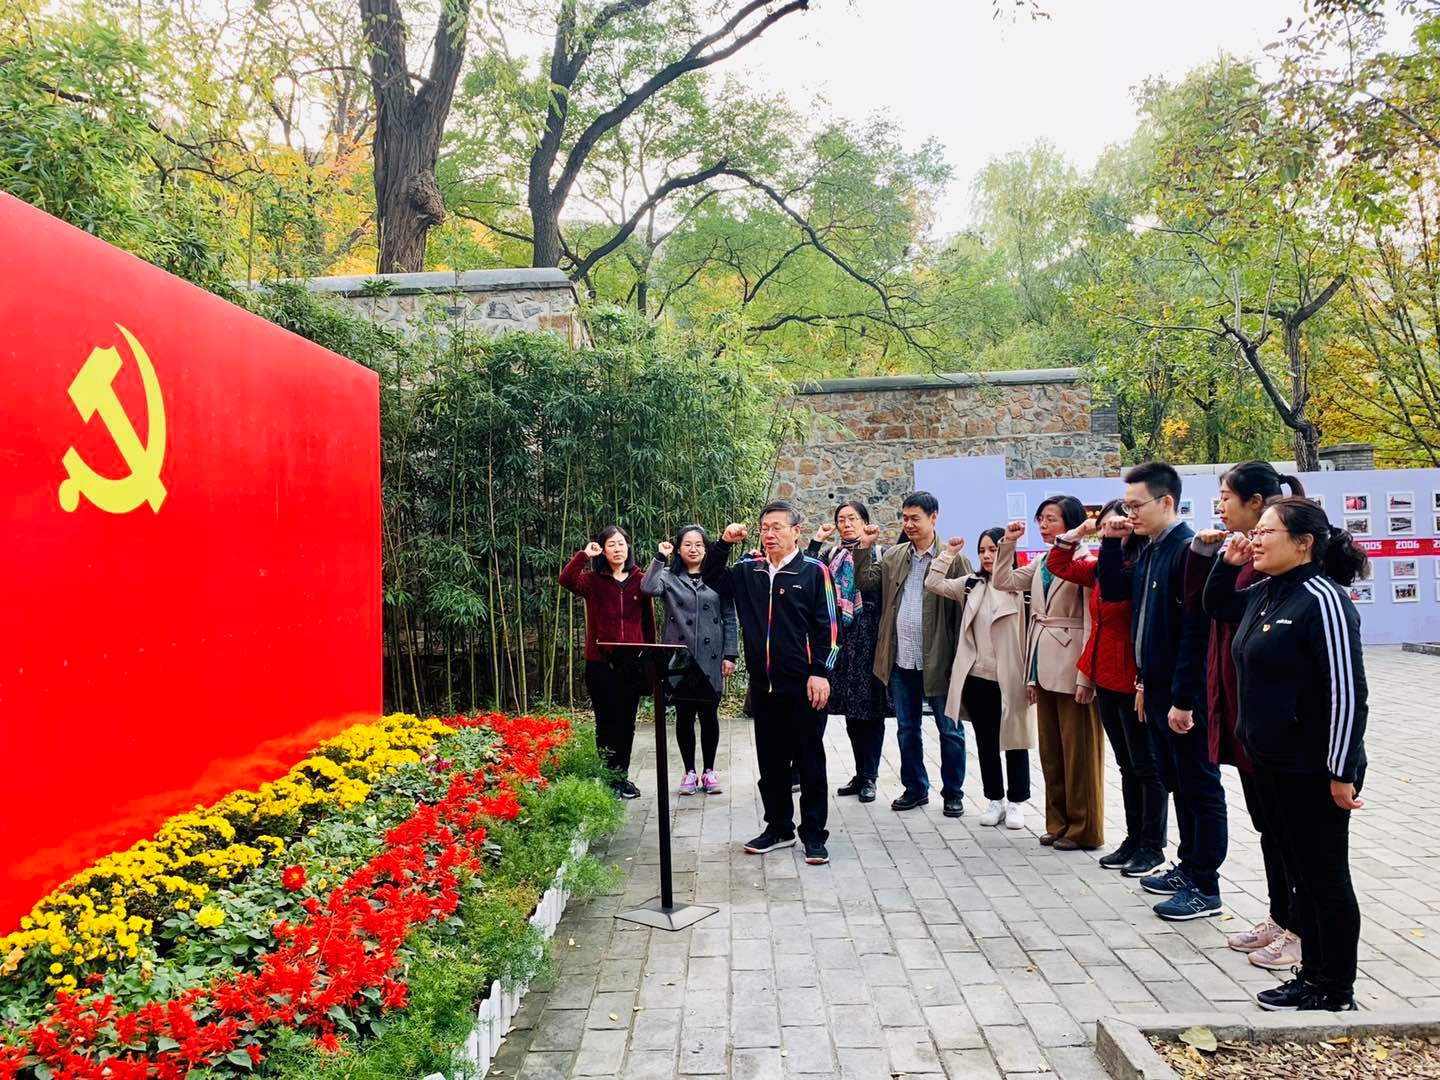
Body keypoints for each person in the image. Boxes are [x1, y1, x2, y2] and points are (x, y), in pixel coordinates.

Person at [1203, 497, 1368, 1012]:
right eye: (1257, 532)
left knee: (1324, 877)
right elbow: (1218, 608)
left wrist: (1341, 771)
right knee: (1300, 874)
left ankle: (1334, 988)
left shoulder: (1323, 600)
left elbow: (1347, 694)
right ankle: (1311, 974)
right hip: (1270, 761)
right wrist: (1225, 566)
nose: (1255, 539)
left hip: (1313, 768)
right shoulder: (1268, 591)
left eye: (1267, 532)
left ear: (1303, 543)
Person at [1187, 462, 1306, 970]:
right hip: (1244, 717)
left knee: (1291, 834)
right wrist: (1213, 558)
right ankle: (1280, 917)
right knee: (1268, 827)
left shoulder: (1300, 586)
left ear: (1257, 503)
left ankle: (1301, 930)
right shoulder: (1245, 560)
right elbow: (1209, 608)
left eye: (1226, 496)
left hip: (1278, 728)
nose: (1220, 506)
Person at [1097, 461, 1226, 921]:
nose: (1129, 513)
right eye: (1126, 505)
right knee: (1177, 782)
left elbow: (1196, 630)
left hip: (1182, 695)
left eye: (1136, 505)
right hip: (1154, 689)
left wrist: (1184, 698)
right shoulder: (1151, 548)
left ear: (1166, 501)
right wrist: (1110, 542)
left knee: (1199, 787)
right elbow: (1114, 590)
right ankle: (1187, 868)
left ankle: (1205, 884)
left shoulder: (1188, 551)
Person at [701, 502, 839, 865]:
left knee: (810, 762)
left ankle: (814, 834)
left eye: (777, 527)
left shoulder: (815, 572)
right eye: (765, 528)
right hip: (763, 687)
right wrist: (723, 543)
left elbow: (830, 628)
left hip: (805, 686)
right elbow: (712, 576)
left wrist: (821, 672)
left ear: (796, 531)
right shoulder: (750, 570)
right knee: (771, 763)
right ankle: (779, 828)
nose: (770, 534)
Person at [1048, 499, 1165, 877]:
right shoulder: (1104, 565)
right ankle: (1133, 838)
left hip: (1132, 678)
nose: (1113, 528)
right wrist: (1081, 531)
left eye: (1121, 522)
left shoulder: (1141, 567)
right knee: (1127, 764)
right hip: (1104, 675)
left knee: (1146, 766)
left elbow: (1119, 596)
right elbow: (1058, 564)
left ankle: (1152, 845)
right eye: (1108, 523)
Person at [994, 496, 1104, 851]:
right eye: (1040, 518)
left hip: (1072, 667)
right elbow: (1004, 581)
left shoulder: (1086, 562)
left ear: (1071, 523)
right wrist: (1008, 543)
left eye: (1051, 519)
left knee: (1079, 753)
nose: (1043, 525)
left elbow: (1090, 621)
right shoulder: (1042, 561)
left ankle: (1084, 829)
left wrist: (1086, 677)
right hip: (1042, 666)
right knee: (1052, 754)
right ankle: (1058, 823)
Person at [854, 491, 973, 817]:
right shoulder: (895, 555)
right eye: (904, 518)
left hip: (940, 660)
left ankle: (953, 792)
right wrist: (864, 548)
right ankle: (916, 788)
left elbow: (965, 611)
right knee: (907, 728)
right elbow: (865, 582)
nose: (908, 524)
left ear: (934, 518)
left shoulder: (954, 559)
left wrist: (962, 658)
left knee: (950, 730)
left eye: (914, 518)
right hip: (901, 658)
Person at [924, 528, 1033, 829]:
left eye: (993, 550)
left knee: (1015, 740)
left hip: (1011, 676)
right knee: (986, 741)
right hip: (976, 676)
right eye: (982, 550)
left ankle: (1017, 802)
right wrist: (948, 553)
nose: (986, 555)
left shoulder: (1021, 586)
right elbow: (933, 583)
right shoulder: (971, 584)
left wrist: (1032, 677)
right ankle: (995, 799)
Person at [559, 525, 656, 799]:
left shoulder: (641, 581)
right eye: (611, 544)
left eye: (621, 543)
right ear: (603, 550)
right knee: (606, 723)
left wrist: (650, 661)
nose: (617, 549)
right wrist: (583, 556)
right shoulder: (592, 581)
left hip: (632, 663)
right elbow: (566, 580)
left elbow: (648, 623)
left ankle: (621, 777)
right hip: (601, 663)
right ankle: (607, 777)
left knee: (627, 723)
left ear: (628, 547)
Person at [642, 525, 738, 796]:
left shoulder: (718, 576)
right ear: (679, 548)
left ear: (706, 549)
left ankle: (709, 771)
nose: (693, 549)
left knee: (709, 715)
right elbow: (647, 588)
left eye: (699, 544)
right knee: (684, 716)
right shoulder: (668, 577)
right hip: (680, 658)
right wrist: (659, 557)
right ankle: (689, 772)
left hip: (712, 656)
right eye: (687, 544)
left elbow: (730, 617)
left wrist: (730, 654)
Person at [808, 501, 887, 804]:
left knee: (872, 712)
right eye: (841, 519)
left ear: (865, 521)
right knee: (853, 713)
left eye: (852, 518)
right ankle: (859, 773)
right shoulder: (831, 555)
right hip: (841, 640)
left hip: (869, 640)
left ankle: (870, 776)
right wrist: (818, 539)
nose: (846, 524)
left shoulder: (879, 553)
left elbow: (879, 591)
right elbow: (807, 570)